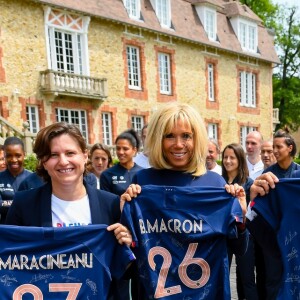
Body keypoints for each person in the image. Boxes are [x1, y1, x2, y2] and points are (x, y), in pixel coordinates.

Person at [120, 103, 248, 299]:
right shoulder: (142, 183)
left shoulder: (215, 184)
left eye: (186, 136)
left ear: (197, 139)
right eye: (169, 136)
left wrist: (241, 218)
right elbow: (129, 261)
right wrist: (125, 218)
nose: (178, 144)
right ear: (157, 138)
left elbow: (239, 250)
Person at [5, 122, 132, 299]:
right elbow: (8, 265)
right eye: (53, 155)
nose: (63, 161)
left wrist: (128, 243)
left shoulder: (111, 204)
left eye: (70, 153)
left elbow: (125, 272)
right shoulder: (24, 204)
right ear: (44, 161)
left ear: (85, 155)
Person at [247, 128, 300, 300]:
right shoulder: (267, 175)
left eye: (278, 147)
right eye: (273, 147)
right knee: (273, 277)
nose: (275, 151)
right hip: (273, 235)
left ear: (290, 148)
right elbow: (256, 212)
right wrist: (252, 204)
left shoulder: (298, 173)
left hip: (294, 239)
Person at [221, 143, 258, 300]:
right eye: (225, 157)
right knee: (222, 278)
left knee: (247, 279)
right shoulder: (218, 181)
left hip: (244, 235)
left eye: (232, 157)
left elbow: (252, 214)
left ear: (240, 159)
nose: (227, 161)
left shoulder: (249, 183)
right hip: (223, 236)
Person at [100, 129, 143, 196]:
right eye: (118, 148)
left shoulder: (143, 173)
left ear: (134, 150)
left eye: (125, 149)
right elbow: (105, 202)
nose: (121, 152)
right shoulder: (107, 175)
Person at [0, 136, 32, 223]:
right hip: (6, 230)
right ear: (5, 156)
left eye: (18, 155)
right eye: (9, 156)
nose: (14, 160)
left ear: (24, 155)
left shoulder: (34, 179)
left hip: (29, 230)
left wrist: (6, 203)